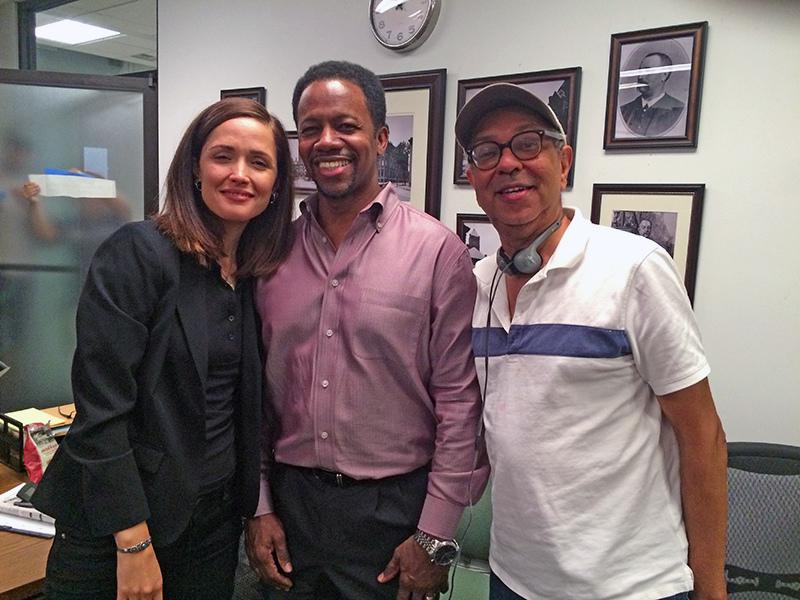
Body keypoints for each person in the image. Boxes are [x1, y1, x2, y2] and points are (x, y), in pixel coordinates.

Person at [456, 83, 727, 600]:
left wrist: (710, 589)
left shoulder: (636, 269)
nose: (508, 162)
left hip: (630, 585)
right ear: (473, 177)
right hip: (513, 579)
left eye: (528, 144)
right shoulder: (475, 284)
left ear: (564, 161)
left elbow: (703, 436)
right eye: (487, 152)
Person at [31, 97, 294, 600]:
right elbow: (101, 412)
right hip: (121, 525)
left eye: (259, 162)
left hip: (213, 525)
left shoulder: (256, 275)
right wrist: (132, 543)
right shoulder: (138, 254)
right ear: (194, 167)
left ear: (276, 184)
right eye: (223, 156)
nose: (240, 174)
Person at [246, 60, 489, 600]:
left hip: (395, 516)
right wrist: (259, 506)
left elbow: (458, 404)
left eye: (346, 125)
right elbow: (256, 398)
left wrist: (435, 535)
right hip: (291, 513)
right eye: (311, 129)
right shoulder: (269, 255)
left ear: (380, 138)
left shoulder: (437, 253)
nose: (328, 140)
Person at [620, 52, 685, 136]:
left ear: (664, 75)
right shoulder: (624, 110)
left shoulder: (678, 111)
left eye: (648, 71)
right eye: (640, 71)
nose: (640, 76)